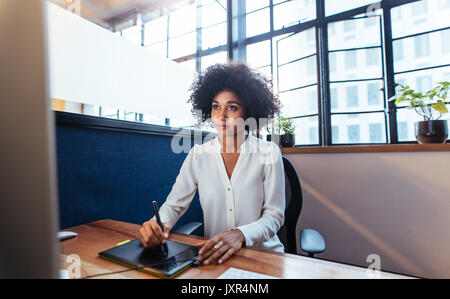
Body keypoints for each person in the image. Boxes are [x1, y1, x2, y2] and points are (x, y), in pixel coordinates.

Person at [137, 63, 286, 265]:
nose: (221, 116)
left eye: (232, 107)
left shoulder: (269, 153)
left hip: (264, 257)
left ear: (248, 112)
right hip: (215, 257)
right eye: (216, 106)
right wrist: (158, 224)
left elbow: (274, 216)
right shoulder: (198, 155)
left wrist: (240, 234)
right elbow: (173, 206)